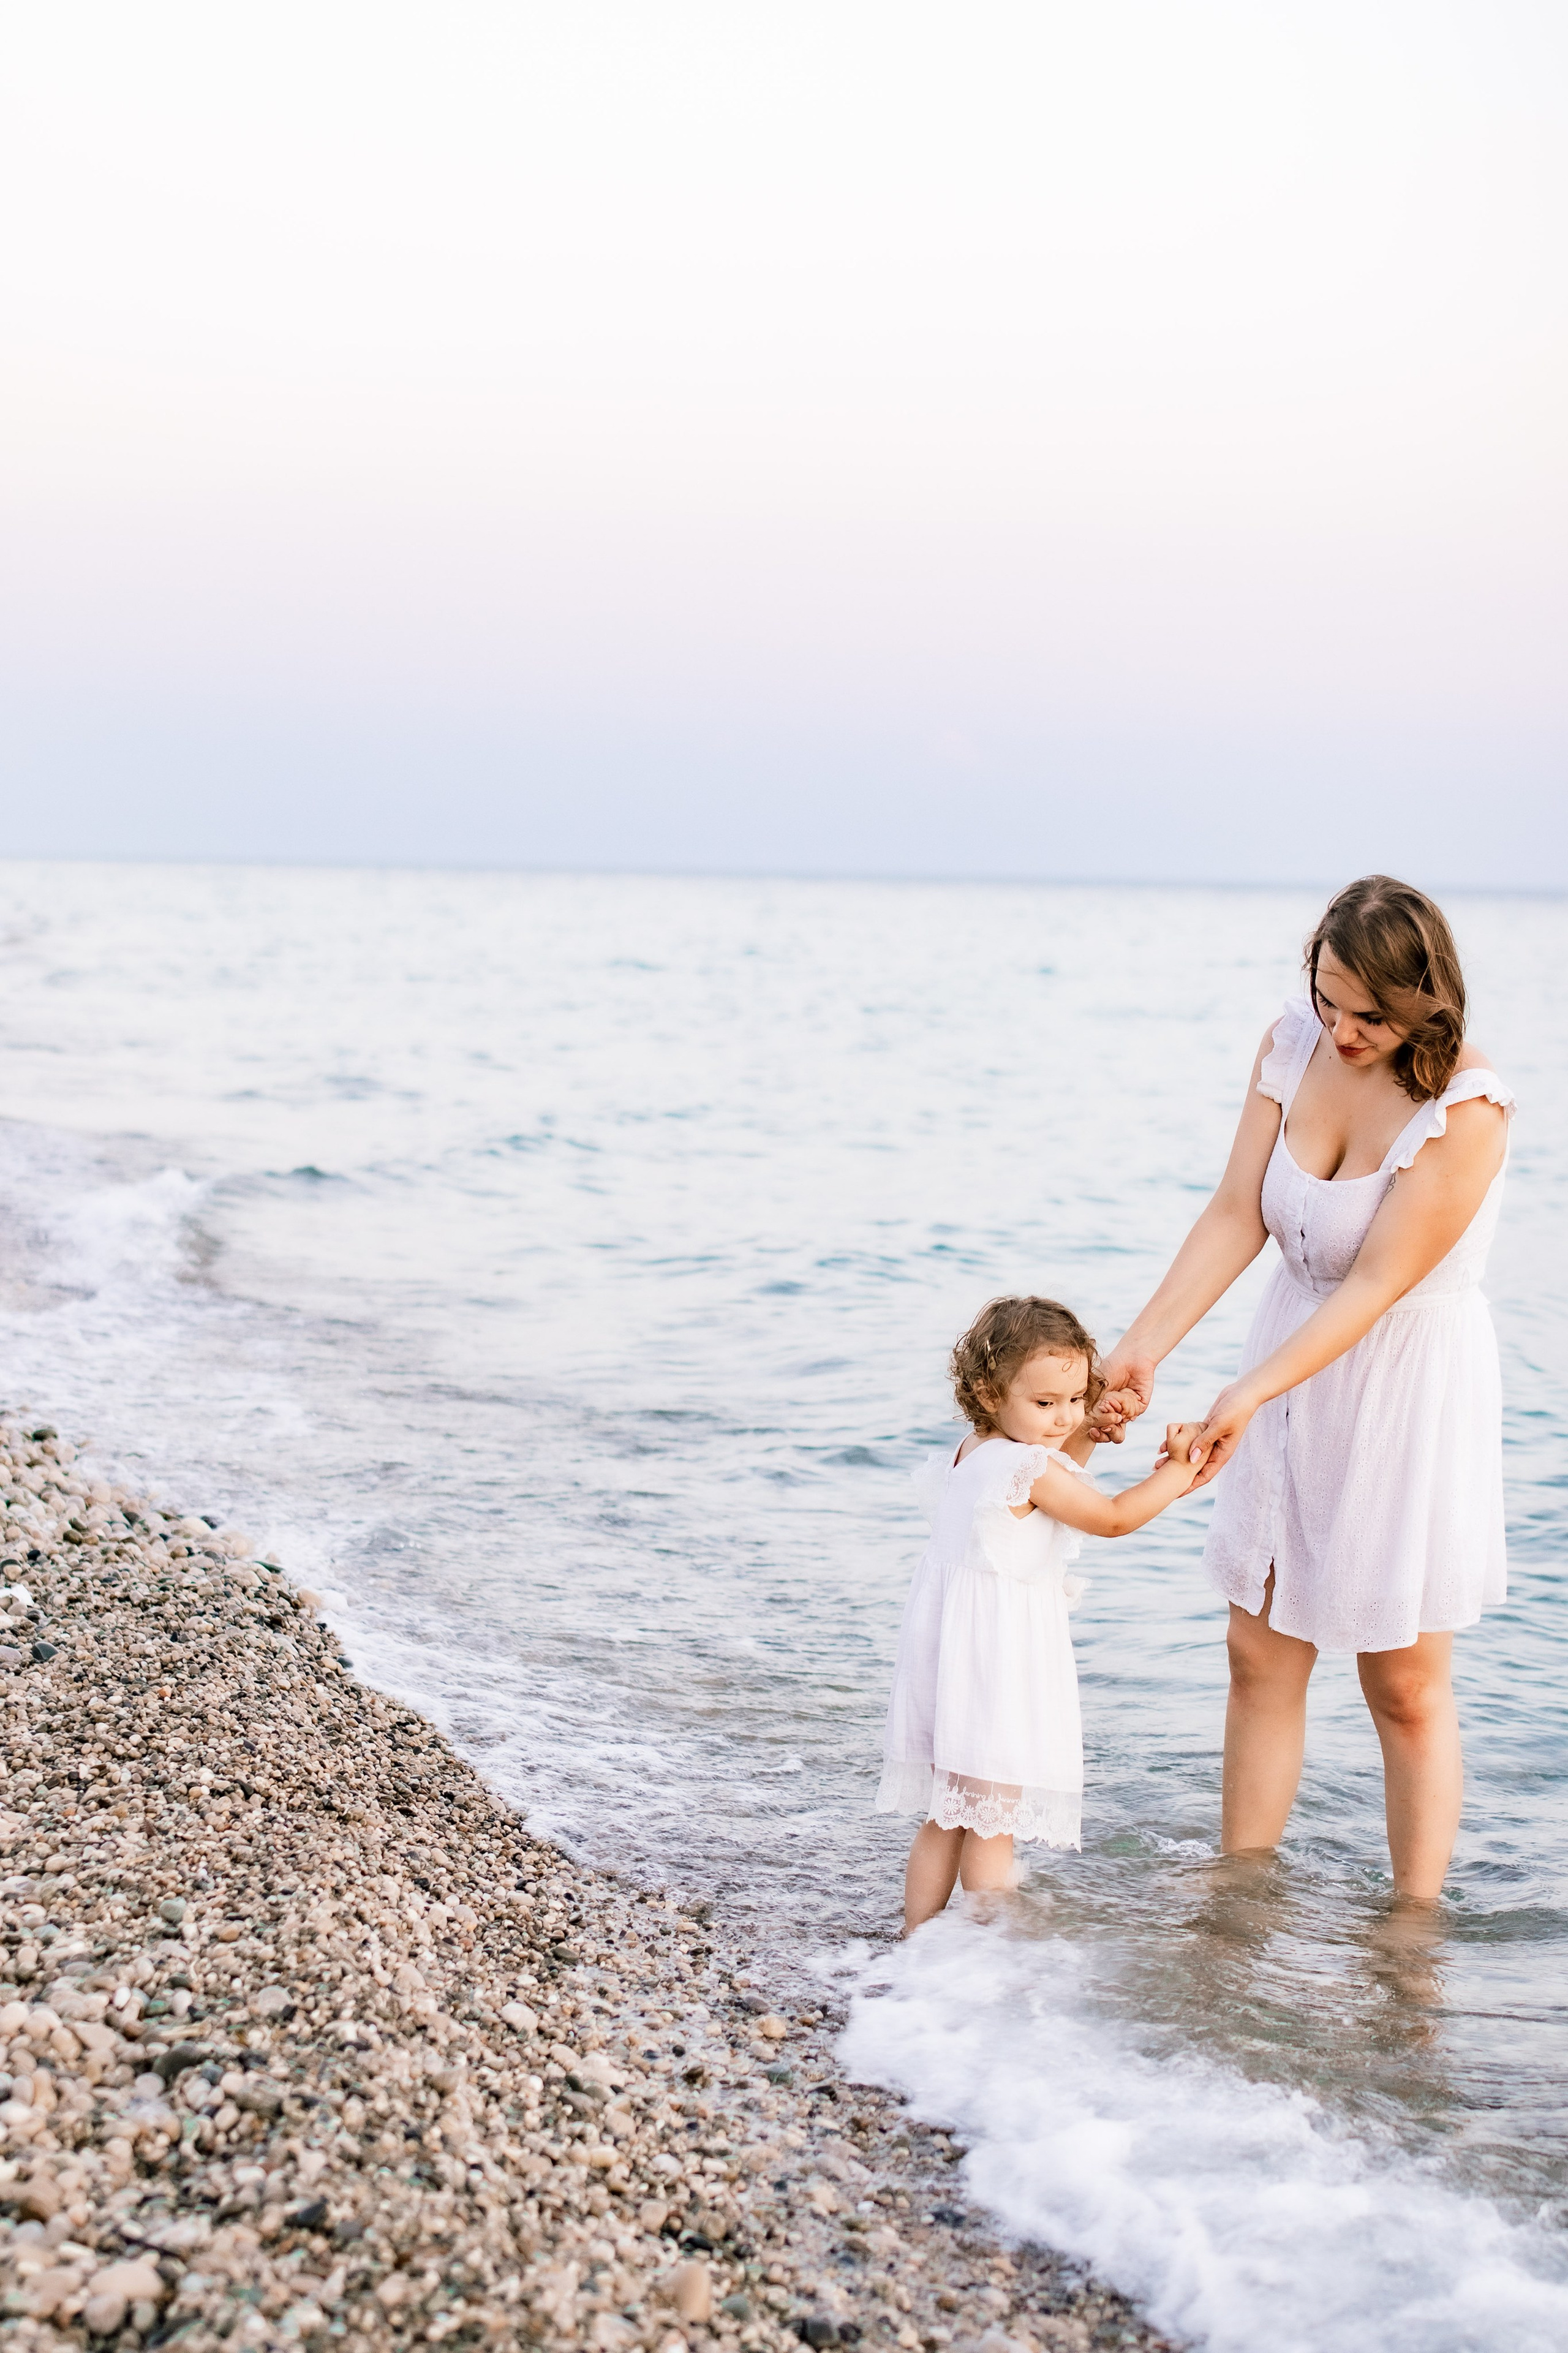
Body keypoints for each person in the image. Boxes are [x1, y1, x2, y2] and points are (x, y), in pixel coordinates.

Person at [1096, 875, 1514, 1901]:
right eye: (1330, 999)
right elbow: (1239, 1209)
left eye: (1371, 1014)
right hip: (1292, 1347)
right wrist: (1140, 1349)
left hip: (1401, 1388)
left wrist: (1242, 1394)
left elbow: (1376, 1285)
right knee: (1260, 1649)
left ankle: (1412, 1935)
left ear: (1427, 998)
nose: (1345, 1029)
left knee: (1403, 1683)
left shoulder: (1467, 1107)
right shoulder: (1290, 1045)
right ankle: (1240, 1901)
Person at [878, 1293, 1206, 1933]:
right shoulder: (1027, 1466)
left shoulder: (974, 1450)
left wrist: (1086, 1431)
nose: (1064, 1419)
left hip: (954, 1662)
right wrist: (1178, 1471)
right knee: (994, 1821)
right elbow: (1109, 1517)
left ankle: (914, 1941)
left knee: (948, 1815)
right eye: (1046, 1403)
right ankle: (986, 1958)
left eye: (1076, 1400)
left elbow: (1042, 1487)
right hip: (999, 1666)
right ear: (988, 1389)